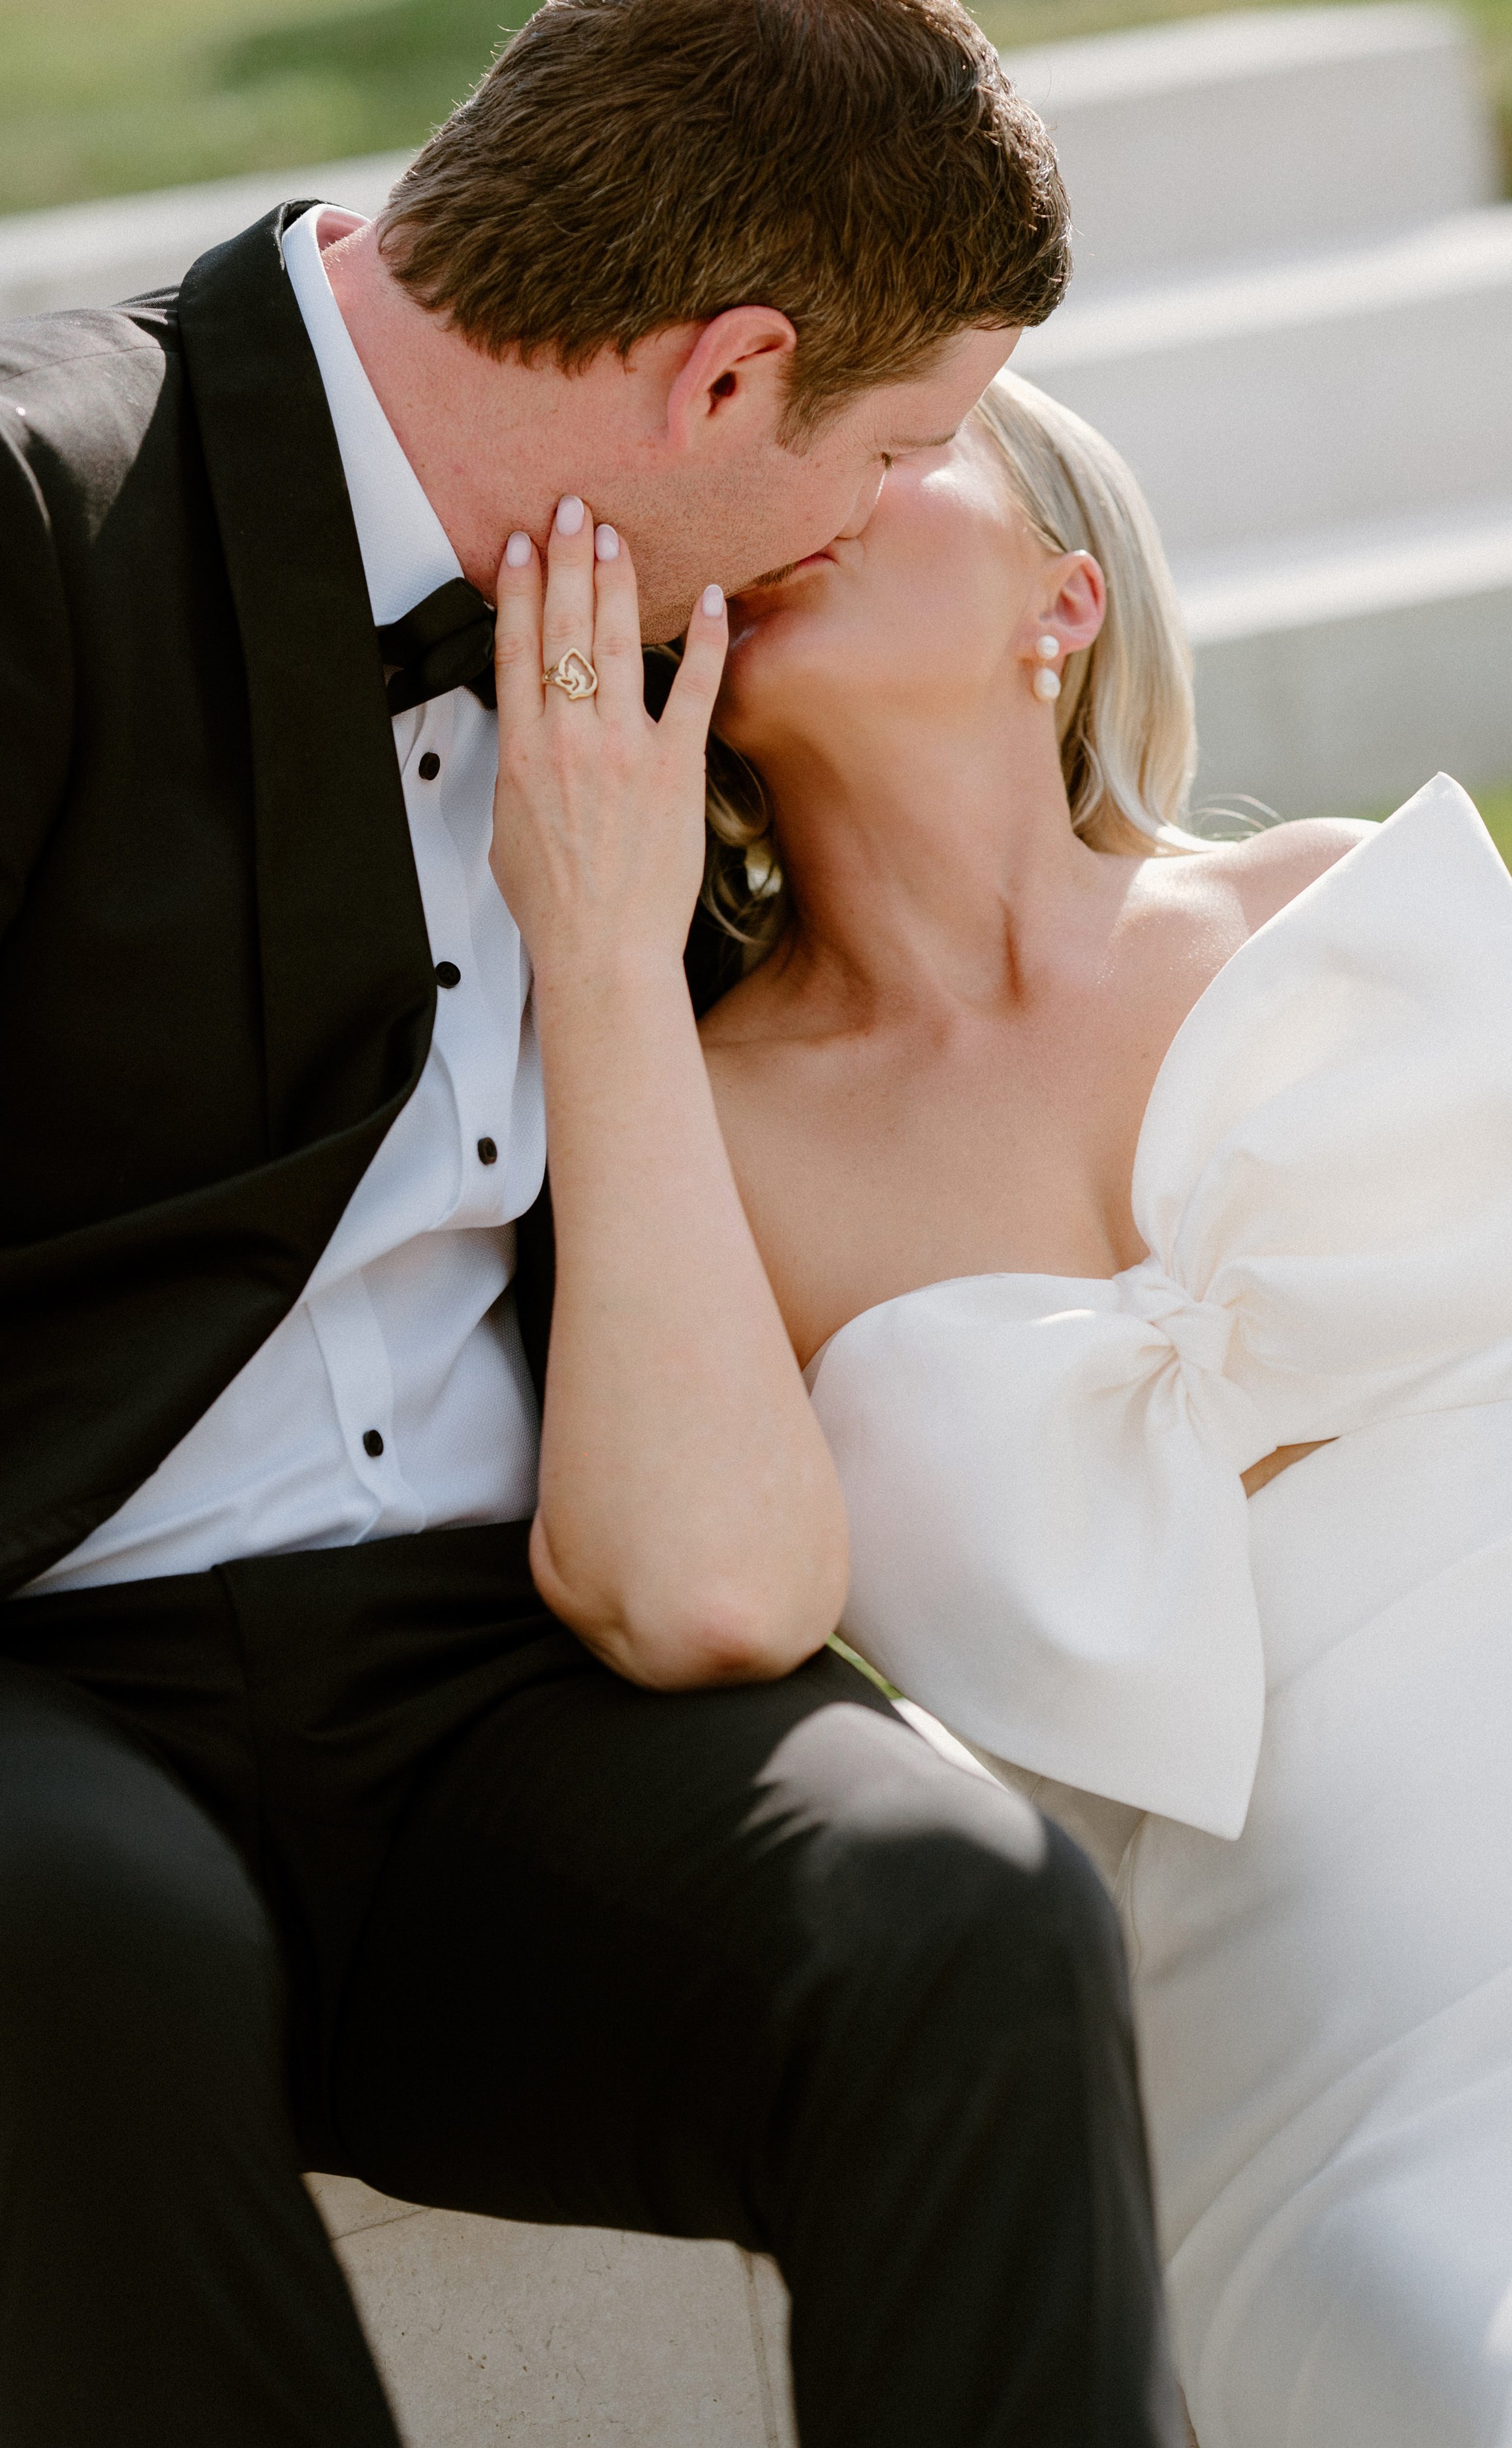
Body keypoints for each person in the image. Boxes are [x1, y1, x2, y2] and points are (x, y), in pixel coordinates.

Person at [0, 7, 1188, 2445]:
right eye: (882, 449)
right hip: (37, 1678)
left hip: (479, 1688)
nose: (872, 513)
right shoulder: (31, 507)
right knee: (71, 1938)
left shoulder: (701, 638)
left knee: (955, 1920)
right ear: (727, 376)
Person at [489, 362, 1512, 2445]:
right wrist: (596, 956)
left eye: (906, 443)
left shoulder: (1330, 907)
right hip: (1327, 2094)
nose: (824, 478)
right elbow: (695, 1597)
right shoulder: (684, 1131)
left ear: (1065, 603)